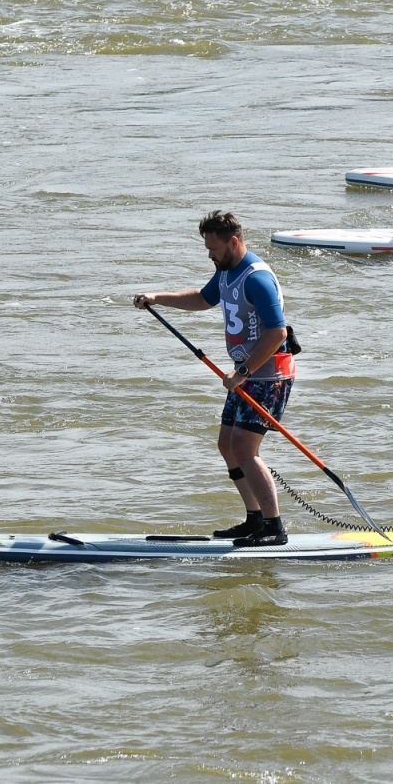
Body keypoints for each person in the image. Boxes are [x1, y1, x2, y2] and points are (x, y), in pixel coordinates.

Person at [133, 211, 297, 546]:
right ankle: (254, 519)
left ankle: (274, 527)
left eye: (214, 248)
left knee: (244, 449)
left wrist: (243, 372)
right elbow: (202, 299)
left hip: (268, 375)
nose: (210, 254)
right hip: (244, 375)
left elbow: (278, 333)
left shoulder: (256, 278)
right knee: (227, 445)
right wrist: (156, 297)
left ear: (233, 242)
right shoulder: (225, 274)